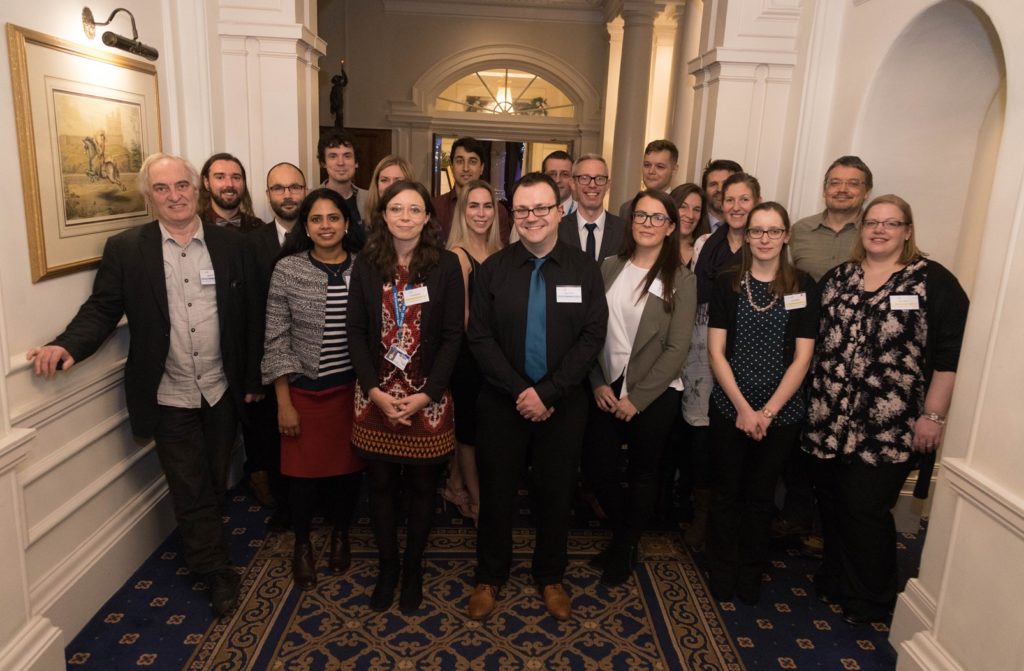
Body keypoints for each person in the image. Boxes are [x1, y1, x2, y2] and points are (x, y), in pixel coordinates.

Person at [26, 153, 262, 618]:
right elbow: (102, 308)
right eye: (162, 188)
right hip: (167, 389)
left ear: (198, 190)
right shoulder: (127, 248)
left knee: (215, 476)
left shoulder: (232, 246)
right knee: (188, 483)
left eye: (181, 186)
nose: (174, 196)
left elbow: (252, 314)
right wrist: (65, 346)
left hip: (221, 389)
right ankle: (215, 571)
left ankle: (207, 538)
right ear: (148, 196)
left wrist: (252, 379)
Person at [803, 194, 968, 624]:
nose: (879, 230)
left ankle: (873, 597)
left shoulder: (932, 281)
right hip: (828, 416)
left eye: (891, 223)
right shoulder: (841, 277)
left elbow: (951, 354)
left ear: (907, 231)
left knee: (866, 507)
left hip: (890, 423)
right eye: (872, 222)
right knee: (835, 504)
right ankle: (838, 577)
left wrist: (933, 415)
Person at [466, 172, 608, 621]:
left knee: (556, 493)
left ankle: (550, 576)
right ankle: (489, 577)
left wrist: (546, 392)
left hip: (562, 404)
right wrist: (521, 391)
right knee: (497, 494)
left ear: (559, 211)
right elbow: (480, 338)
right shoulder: (493, 270)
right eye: (523, 210)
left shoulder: (584, 269)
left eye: (541, 208)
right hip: (502, 403)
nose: (532, 217)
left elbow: (592, 336)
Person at [347, 180, 464, 614]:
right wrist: (374, 391)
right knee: (378, 486)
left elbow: (453, 335)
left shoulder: (446, 265)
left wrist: (428, 394)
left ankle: (413, 567)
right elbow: (355, 332)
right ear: (383, 215)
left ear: (428, 217)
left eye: (415, 210)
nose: (405, 217)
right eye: (397, 209)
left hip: (426, 399)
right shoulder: (366, 263)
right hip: (374, 396)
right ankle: (388, 566)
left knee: (420, 488)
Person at [704, 201, 818, 605]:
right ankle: (721, 571)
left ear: (786, 235)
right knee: (725, 495)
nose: (765, 239)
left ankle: (750, 572)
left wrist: (766, 412)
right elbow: (716, 352)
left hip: (781, 414)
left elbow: (803, 358)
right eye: (757, 231)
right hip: (730, 407)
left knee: (760, 497)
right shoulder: (727, 282)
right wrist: (743, 409)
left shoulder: (803, 286)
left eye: (773, 231)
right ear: (747, 236)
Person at [583, 189, 697, 585]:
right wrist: (597, 382)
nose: (648, 224)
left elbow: (677, 348)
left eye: (657, 218)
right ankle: (625, 534)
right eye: (641, 216)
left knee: (644, 472)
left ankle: (625, 544)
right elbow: (591, 331)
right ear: (631, 223)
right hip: (606, 382)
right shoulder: (608, 267)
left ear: (670, 227)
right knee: (597, 469)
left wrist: (639, 398)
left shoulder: (682, 278)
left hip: (656, 390)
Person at [261, 188, 364, 590]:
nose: (326, 226)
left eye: (333, 218)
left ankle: (341, 533)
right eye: (317, 219)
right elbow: (275, 340)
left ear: (346, 223)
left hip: (352, 393)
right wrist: (284, 402)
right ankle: (302, 544)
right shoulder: (288, 270)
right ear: (306, 226)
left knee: (347, 475)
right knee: (302, 479)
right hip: (304, 393)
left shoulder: (365, 269)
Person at [680, 172, 760, 550]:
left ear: (755, 203)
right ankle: (703, 511)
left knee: (735, 428)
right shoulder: (705, 244)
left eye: (745, 200)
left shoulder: (762, 243)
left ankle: (733, 517)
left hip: (745, 346)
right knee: (702, 433)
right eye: (730, 200)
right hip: (701, 346)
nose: (736, 207)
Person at [246, 162, 309, 530]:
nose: (287, 195)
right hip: (268, 361)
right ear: (267, 194)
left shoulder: (321, 232)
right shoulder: (249, 243)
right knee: (275, 441)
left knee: (313, 441)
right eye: (279, 188)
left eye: (295, 187)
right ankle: (287, 509)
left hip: (316, 363)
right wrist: (253, 377)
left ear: (305, 190)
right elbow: (246, 313)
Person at [441, 179, 505, 523]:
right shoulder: (457, 256)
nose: (481, 213)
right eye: (473, 206)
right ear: (462, 212)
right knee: (468, 432)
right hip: (470, 357)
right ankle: (479, 502)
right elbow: (464, 319)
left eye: (487, 206)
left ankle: (454, 485)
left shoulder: (501, 253)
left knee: (488, 431)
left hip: (496, 357)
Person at [790, 155, 873, 281]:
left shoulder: (876, 232)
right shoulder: (799, 229)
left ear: (866, 192)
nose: (842, 189)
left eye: (853, 184)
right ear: (824, 190)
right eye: (835, 183)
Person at [432, 137, 512, 243]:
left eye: (472, 162)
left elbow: (501, 253)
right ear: (452, 167)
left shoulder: (498, 211)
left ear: (482, 168)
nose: (466, 168)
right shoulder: (436, 206)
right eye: (460, 161)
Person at [557, 154, 627, 263]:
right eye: (584, 178)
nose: (592, 185)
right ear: (573, 184)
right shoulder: (558, 230)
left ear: (608, 185)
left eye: (599, 179)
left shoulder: (625, 230)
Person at [318, 129, 368, 252]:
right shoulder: (311, 199)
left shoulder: (370, 199)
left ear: (356, 162)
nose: (341, 163)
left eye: (347, 156)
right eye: (333, 156)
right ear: (323, 163)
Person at [197, 152, 263, 231]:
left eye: (236, 177)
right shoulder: (194, 228)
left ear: (244, 182)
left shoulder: (260, 229)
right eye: (220, 177)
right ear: (206, 182)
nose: (230, 184)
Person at [617, 139, 679, 219]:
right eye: (647, 165)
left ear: (674, 170)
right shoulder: (626, 209)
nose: (651, 171)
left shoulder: (681, 208)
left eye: (659, 166)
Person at [365, 154, 416, 227]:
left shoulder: (418, 223)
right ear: (377, 185)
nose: (390, 186)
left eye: (398, 181)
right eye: (384, 180)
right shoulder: (364, 227)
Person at [670, 183, 708, 269]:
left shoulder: (706, 250)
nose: (690, 215)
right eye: (683, 207)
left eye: (696, 210)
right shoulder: (657, 247)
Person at [701, 159, 743, 233]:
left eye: (726, 183)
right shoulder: (693, 223)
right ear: (704, 190)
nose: (720, 189)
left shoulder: (752, 227)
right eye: (713, 184)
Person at [542, 150, 576, 217]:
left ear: (573, 179)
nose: (557, 180)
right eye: (552, 174)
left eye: (565, 174)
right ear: (543, 178)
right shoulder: (530, 212)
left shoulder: (583, 214)